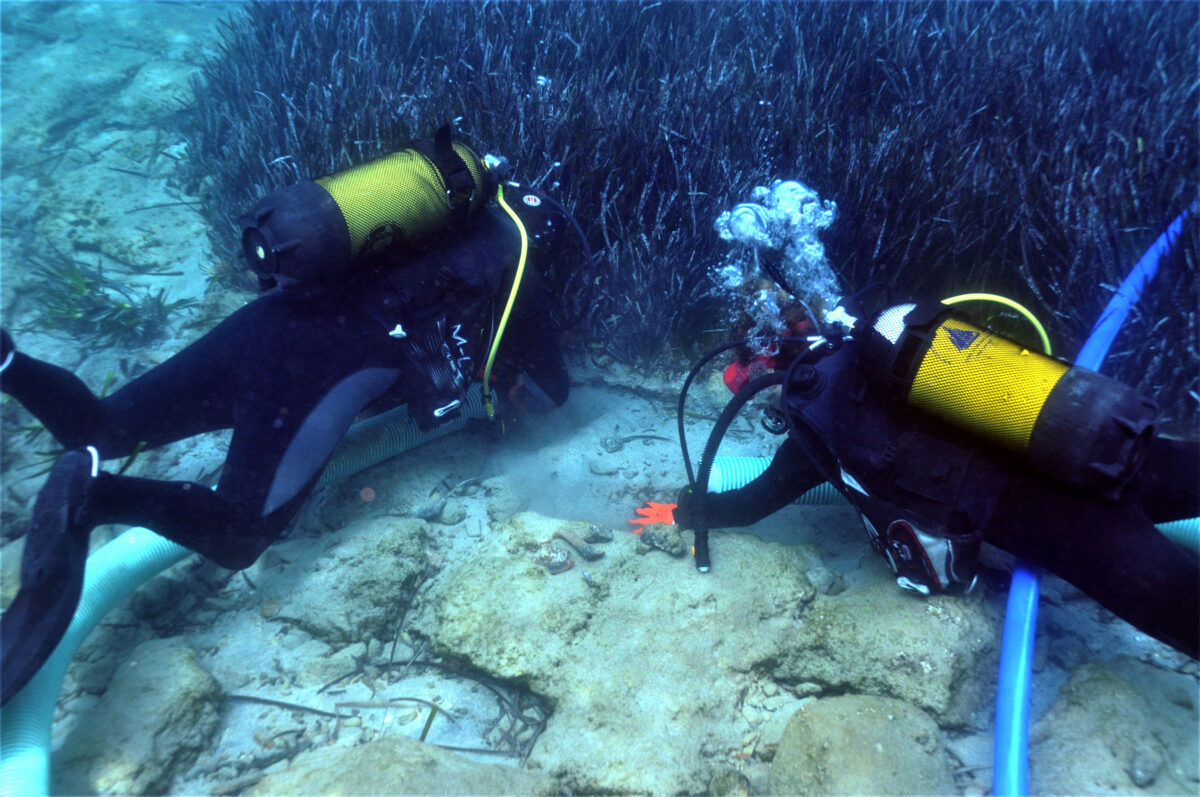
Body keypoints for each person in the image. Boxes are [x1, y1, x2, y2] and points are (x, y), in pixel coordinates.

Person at [0, 131, 578, 704]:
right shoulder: (519, 262)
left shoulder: (433, 213)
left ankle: (9, 362)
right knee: (241, 534)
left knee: (100, 428)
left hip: (268, 323)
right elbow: (553, 394)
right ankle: (94, 497)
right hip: (324, 365)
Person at [660, 298, 1199, 659]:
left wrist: (684, 509)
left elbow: (753, 503)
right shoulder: (883, 344)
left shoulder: (816, 425)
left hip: (1062, 525)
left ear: (768, 371)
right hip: (1094, 441)